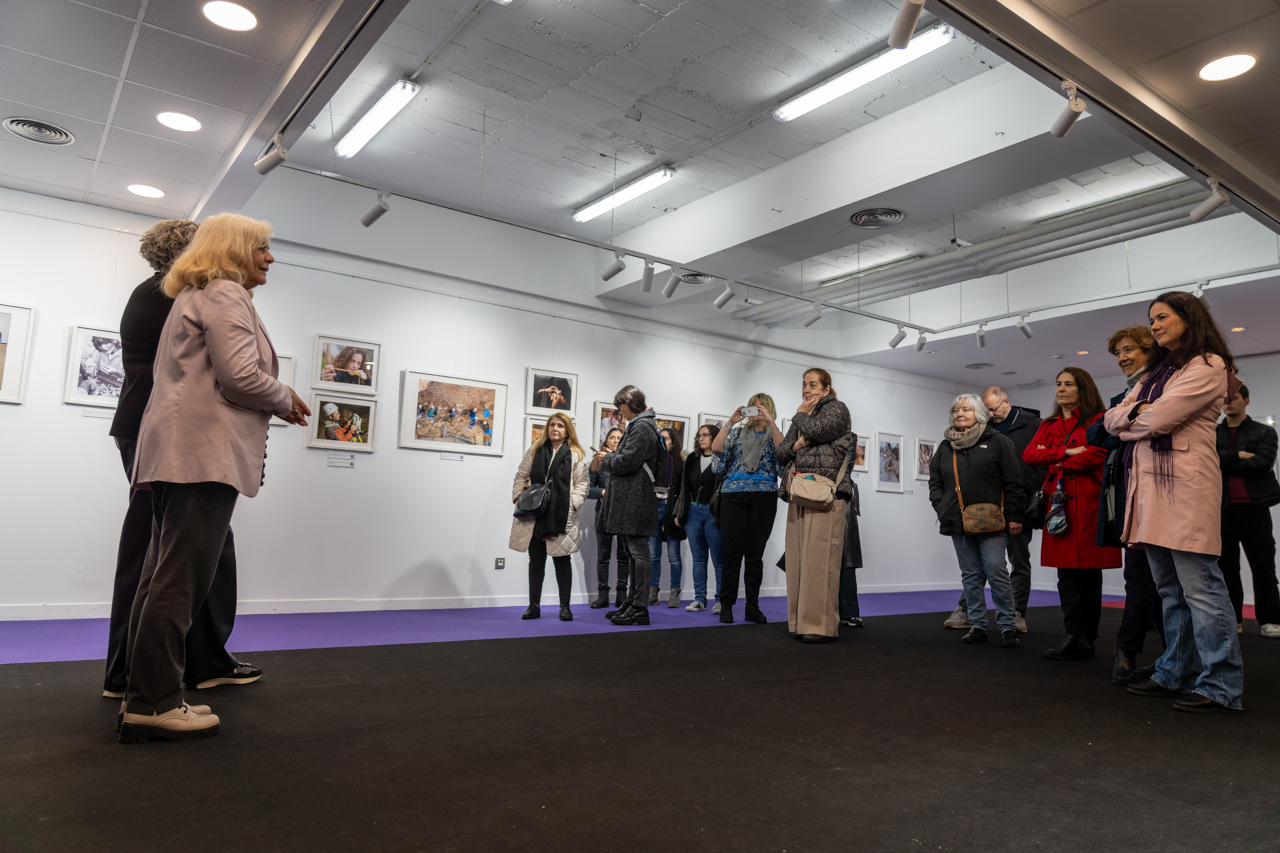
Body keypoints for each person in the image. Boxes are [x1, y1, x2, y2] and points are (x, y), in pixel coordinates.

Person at [121, 213, 310, 744]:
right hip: (201, 456)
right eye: (263, 248)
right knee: (180, 581)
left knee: (160, 575)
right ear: (234, 249)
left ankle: (143, 695)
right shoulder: (226, 293)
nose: (270, 257)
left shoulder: (194, 294)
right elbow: (241, 375)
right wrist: (286, 397)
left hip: (174, 453)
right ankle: (154, 704)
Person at [103, 219, 259, 701]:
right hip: (173, 433)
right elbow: (229, 373)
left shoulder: (153, 292)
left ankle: (153, 668)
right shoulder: (186, 292)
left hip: (152, 429)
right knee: (173, 550)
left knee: (169, 549)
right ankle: (146, 675)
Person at [1105, 291, 1244, 713]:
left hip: (1184, 489)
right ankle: (1175, 671)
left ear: (1189, 318)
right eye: (1152, 319)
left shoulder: (1208, 365)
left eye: (1162, 317)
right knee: (1169, 590)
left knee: (1201, 589)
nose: (1155, 326)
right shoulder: (1159, 370)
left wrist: (1133, 417)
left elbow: (1158, 419)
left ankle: (1221, 684)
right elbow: (1112, 419)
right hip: (1150, 492)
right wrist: (1134, 416)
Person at [1086, 325, 1166, 684]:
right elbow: (1095, 433)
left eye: (1130, 349)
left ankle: (1171, 657)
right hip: (1129, 495)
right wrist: (1125, 421)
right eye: (1118, 352)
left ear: (1151, 348)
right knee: (1138, 578)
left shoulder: (1166, 385)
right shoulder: (1126, 393)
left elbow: (1150, 426)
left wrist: (1120, 424)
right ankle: (1128, 652)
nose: (1122, 357)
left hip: (1161, 493)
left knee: (1169, 583)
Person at [1024, 368, 1121, 661]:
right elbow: (1030, 455)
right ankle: (1073, 633)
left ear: (1084, 389)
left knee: (1090, 573)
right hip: (1060, 504)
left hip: (1089, 503)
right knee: (1066, 573)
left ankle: (1087, 636)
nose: (1061, 389)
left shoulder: (1099, 419)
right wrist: (1066, 453)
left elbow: (1100, 455)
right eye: (1058, 384)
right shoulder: (1048, 423)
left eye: (1069, 384)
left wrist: (1055, 457)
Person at [929, 394, 1026, 648]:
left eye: (967, 409)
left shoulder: (998, 442)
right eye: (957, 409)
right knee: (970, 576)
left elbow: (1014, 482)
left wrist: (1015, 516)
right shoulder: (945, 446)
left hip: (992, 521)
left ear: (980, 414)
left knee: (996, 572)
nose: (960, 413)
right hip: (957, 522)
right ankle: (978, 626)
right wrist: (941, 507)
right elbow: (935, 482)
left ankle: (1007, 626)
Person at [942, 387, 1042, 633]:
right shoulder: (982, 431)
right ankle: (966, 610)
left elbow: (1037, 467)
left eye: (993, 409)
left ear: (1006, 403)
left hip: (1018, 505)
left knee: (1014, 562)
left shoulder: (1033, 426)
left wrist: (1020, 502)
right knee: (977, 566)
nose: (989, 414)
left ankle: (1016, 614)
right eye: (984, 410)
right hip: (983, 509)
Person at [774, 369, 853, 643]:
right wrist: (795, 444)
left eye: (813, 385)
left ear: (827, 389)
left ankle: (819, 626)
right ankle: (799, 623)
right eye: (804, 385)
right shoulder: (802, 418)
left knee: (820, 563)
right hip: (799, 493)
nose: (807, 390)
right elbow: (780, 453)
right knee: (798, 562)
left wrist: (799, 417)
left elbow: (817, 431)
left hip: (826, 496)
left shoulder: (837, 410)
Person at [711, 393, 785, 624]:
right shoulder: (736, 432)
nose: (757, 410)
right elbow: (717, 449)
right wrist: (731, 421)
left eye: (761, 406)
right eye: (753, 406)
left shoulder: (775, 435)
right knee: (732, 553)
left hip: (764, 498)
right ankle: (726, 605)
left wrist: (772, 423)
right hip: (734, 497)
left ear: (770, 409)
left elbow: (783, 457)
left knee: (755, 556)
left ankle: (752, 606)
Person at [510, 412, 589, 621]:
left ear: (567, 430)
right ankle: (533, 606)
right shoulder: (535, 449)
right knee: (535, 560)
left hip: (560, 515)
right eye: (552, 425)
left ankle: (565, 607)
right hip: (535, 514)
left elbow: (582, 484)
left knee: (562, 562)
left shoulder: (576, 454)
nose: (555, 429)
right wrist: (518, 497)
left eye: (560, 426)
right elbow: (521, 474)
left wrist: (573, 504)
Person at [594, 386, 661, 626]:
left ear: (629, 404)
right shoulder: (641, 425)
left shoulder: (642, 426)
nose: (618, 411)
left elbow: (628, 461)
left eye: (620, 405)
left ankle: (639, 607)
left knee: (638, 552)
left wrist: (606, 459)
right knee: (634, 552)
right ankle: (633, 602)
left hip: (637, 498)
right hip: (633, 497)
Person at [1216, 383, 1280, 637]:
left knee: (1264, 566)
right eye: (1225, 399)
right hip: (1221, 509)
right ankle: (1234, 621)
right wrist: (1238, 455)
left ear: (1247, 401)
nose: (1229, 402)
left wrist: (1224, 461)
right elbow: (1206, 461)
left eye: (1234, 398)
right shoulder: (1211, 431)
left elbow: (1262, 463)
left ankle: (1270, 620)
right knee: (1226, 568)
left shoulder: (1264, 432)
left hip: (1255, 508)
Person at [674, 423, 724, 612]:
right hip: (693, 512)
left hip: (714, 514)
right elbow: (684, 489)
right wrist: (680, 513)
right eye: (699, 435)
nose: (701, 438)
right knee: (698, 559)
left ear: (715, 437)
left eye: (705, 435)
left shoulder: (721, 459)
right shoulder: (692, 460)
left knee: (718, 559)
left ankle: (720, 599)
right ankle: (700, 599)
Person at [588, 427, 630, 608]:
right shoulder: (597, 462)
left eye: (619, 438)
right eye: (612, 437)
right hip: (603, 512)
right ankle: (602, 595)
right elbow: (588, 490)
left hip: (623, 514)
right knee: (603, 555)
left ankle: (622, 595)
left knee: (624, 555)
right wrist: (604, 491)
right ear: (606, 441)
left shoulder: (628, 461)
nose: (615, 440)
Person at [650, 427, 687, 607]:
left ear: (674, 441)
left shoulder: (681, 462)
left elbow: (683, 491)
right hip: (652, 507)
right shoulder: (652, 459)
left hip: (672, 510)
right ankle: (652, 591)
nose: (663, 441)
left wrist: (680, 513)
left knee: (674, 555)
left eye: (666, 438)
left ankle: (674, 592)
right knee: (653, 554)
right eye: (661, 438)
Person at [838, 437, 865, 628]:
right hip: (816, 496)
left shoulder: (849, 437)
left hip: (841, 498)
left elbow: (843, 470)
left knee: (846, 559)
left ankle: (849, 612)